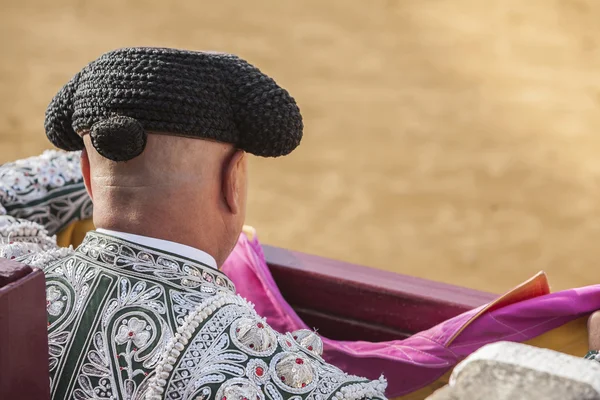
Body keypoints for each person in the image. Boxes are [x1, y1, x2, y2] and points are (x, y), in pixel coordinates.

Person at [0, 48, 387, 400]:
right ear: (232, 180)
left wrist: (115, 168)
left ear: (86, 176)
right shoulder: (246, 364)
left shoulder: (16, 274)